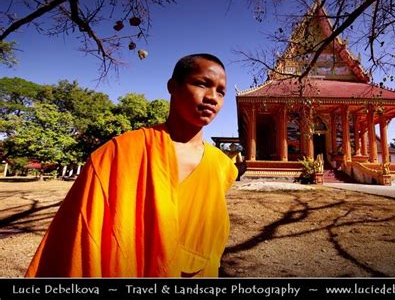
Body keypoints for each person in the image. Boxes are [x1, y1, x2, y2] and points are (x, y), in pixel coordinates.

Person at [25, 53, 238, 277]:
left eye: (221, 91)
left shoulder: (220, 165)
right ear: (172, 87)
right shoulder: (119, 152)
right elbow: (80, 237)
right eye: (202, 84)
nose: (213, 97)